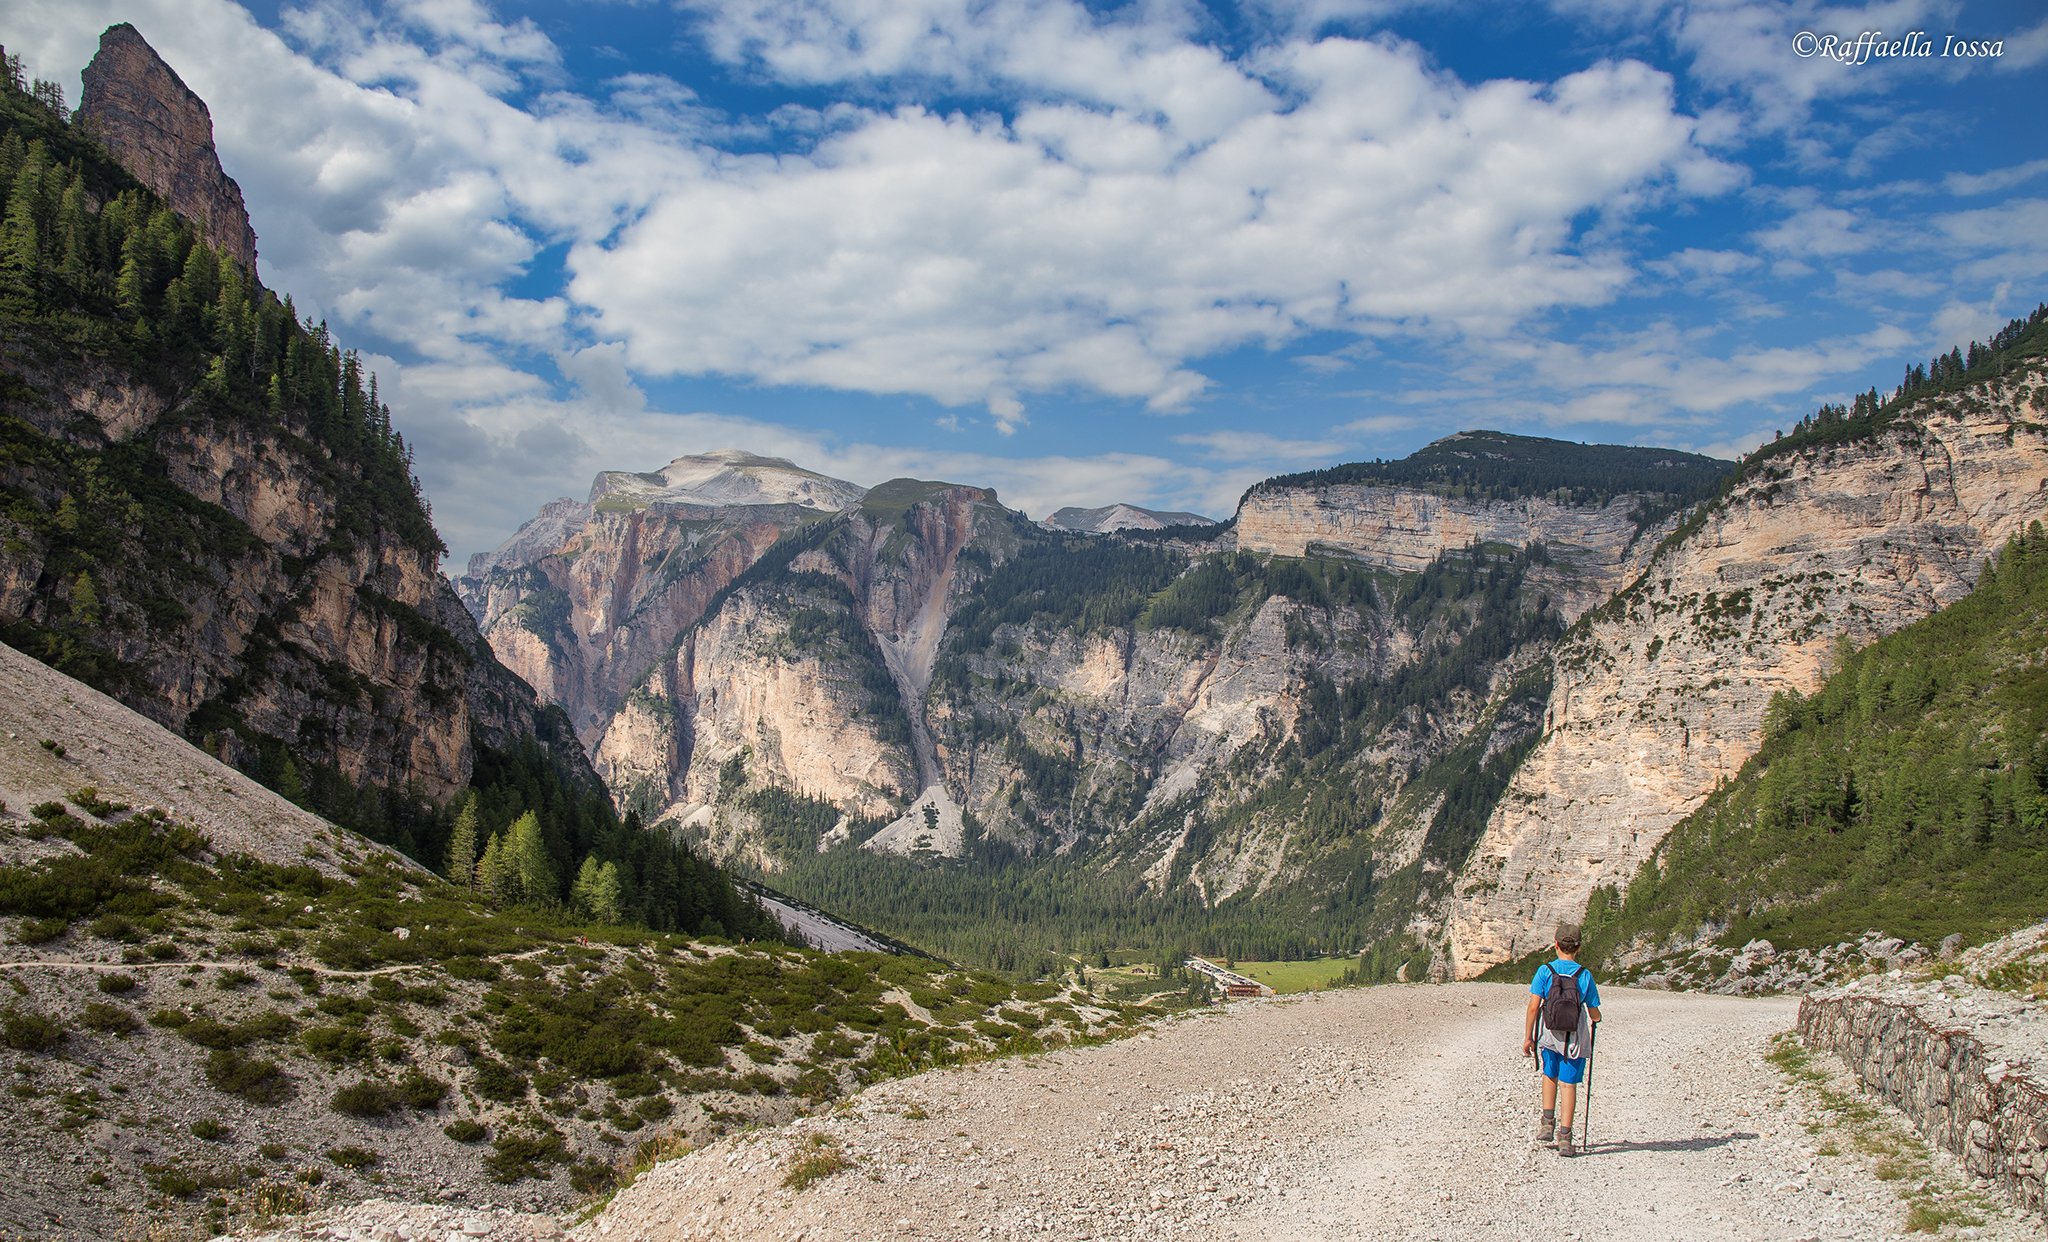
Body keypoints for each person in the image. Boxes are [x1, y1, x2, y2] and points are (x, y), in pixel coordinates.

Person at [1521, 921, 1601, 1156]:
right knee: (1569, 1085)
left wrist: (1528, 1037)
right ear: (1578, 947)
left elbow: (1534, 1007)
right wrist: (1597, 1019)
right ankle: (1565, 1138)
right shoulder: (1584, 975)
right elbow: (1593, 1012)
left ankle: (1547, 1122)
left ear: (1555, 944)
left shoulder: (1545, 971)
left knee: (1549, 1075)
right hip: (1574, 1042)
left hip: (1548, 1036)